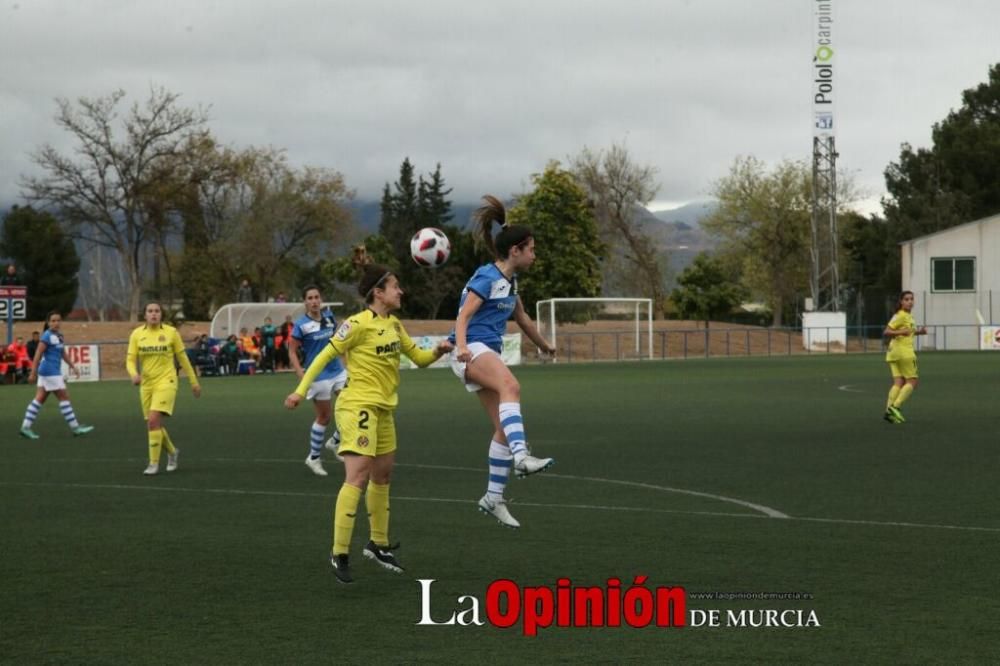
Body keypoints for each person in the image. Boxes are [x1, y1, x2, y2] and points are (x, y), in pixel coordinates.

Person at [284, 264, 453, 584]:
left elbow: (418, 358)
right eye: (395, 286)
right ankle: (339, 552)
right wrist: (299, 390)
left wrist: (439, 351)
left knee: (383, 475)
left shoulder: (394, 325)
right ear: (378, 292)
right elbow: (321, 357)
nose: (400, 291)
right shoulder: (355, 325)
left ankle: (377, 544)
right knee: (358, 475)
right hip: (357, 406)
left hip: (385, 409)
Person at [448, 195, 557, 529]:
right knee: (511, 385)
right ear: (515, 251)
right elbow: (463, 316)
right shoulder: (486, 277)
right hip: (472, 348)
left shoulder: (509, 281)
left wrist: (545, 346)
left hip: (484, 351)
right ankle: (522, 457)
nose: (534, 254)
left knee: (501, 429)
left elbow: (522, 319)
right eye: (532, 249)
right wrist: (463, 348)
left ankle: (493, 498)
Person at [126, 302, 202, 475]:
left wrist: (194, 382)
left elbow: (182, 358)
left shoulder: (170, 332)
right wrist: (133, 374)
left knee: (153, 420)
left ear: (161, 314)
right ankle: (173, 452)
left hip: (167, 381)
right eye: (150, 311)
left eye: (157, 311)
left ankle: (153, 464)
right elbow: (130, 360)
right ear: (144, 315)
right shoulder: (137, 334)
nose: (154, 314)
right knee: (153, 424)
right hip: (147, 384)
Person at [289, 285, 348, 477]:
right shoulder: (301, 325)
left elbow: (339, 342)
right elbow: (292, 351)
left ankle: (335, 441)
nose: (314, 301)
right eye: (310, 298)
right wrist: (300, 374)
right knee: (325, 417)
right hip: (318, 376)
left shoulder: (329, 317)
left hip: (337, 370)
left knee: (352, 406)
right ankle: (314, 458)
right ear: (305, 302)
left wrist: (346, 362)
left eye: (316, 297)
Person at [19, 311, 95, 439]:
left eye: (58, 320)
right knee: (64, 398)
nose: (56, 323)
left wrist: (73, 366)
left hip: (48, 372)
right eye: (53, 321)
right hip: (50, 372)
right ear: (48, 323)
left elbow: (62, 353)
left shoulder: (59, 336)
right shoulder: (47, 336)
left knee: (39, 399)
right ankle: (75, 428)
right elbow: (37, 354)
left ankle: (25, 427)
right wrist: (33, 372)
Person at [883, 290, 927, 424]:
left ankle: (888, 412)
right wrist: (902, 331)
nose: (910, 302)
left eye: (911, 299)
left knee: (898, 382)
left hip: (894, 352)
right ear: (901, 301)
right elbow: (887, 331)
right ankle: (895, 407)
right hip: (904, 352)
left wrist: (919, 332)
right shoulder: (901, 315)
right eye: (907, 299)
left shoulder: (908, 316)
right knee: (913, 381)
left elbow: (909, 332)